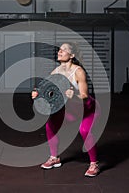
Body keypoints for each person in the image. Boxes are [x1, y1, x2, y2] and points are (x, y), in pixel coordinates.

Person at [32, 42, 100, 177]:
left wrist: (73, 95)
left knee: (84, 131)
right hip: (70, 110)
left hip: (88, 108)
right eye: (59, 50)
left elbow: (85, 96)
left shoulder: (78, 71)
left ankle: (94, 164)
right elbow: (46, 91)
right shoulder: (56, 72)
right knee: (49, 126)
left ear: (72, 55)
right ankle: (54, 157)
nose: (59, 52)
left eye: (64, 50)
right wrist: (37, 93)